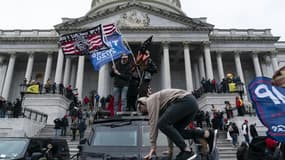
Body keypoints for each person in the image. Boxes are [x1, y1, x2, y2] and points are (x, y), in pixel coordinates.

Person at [137, 88, 218, 160]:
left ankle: (186, 151)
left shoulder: (150, 100)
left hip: (185, 100)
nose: (144, 113)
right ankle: (207, 134)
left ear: (141, 103)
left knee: (161, 124)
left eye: (141, 110)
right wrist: (170, 149)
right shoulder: (160, 106)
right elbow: (169, 131)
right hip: (191, 104)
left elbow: (153, 124)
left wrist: (153, 147)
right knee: (176, 130)